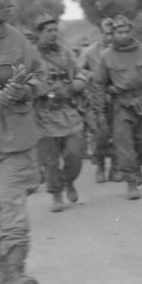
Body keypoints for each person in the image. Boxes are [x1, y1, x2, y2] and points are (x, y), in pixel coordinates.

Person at [0, 0, 42, 284]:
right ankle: (2, 264)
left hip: (13, 138)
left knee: (12, 206)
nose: (10, 1)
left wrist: (24, 89)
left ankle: (15, 273)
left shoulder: (18, 39)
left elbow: (38, 79)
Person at [94, 15, 142, 200]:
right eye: (119, 32)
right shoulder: (106, 56)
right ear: (113, 34)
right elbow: (98, 84)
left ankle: (135, 166)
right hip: (121, 105)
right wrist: (99, 111)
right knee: (124, 144)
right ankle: (131, 182)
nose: (124, 35)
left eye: (127, 31)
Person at [35, 13, 88, 212]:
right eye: (48, 31)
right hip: (44, 114)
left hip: (68, 111)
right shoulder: (32, 56)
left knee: (75, 153)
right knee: (50, 160)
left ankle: (68, 180)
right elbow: (26, 82)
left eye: (55, 30)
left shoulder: (66, 53)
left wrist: (80, 81)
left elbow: (82, 71)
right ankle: (56, 194)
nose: (53, 34)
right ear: (39, 33)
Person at [78, 18, 122, 183]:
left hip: (116, 98)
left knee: (118, 133)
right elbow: (79, 71)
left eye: (111, 33)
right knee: (100, 134)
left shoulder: (120, 51)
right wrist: (92, 76)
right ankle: (101, 166)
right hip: (96, 99)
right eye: (106, 33)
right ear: (101, 33)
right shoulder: (90, 52)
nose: (109, 37)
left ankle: (115, 168)